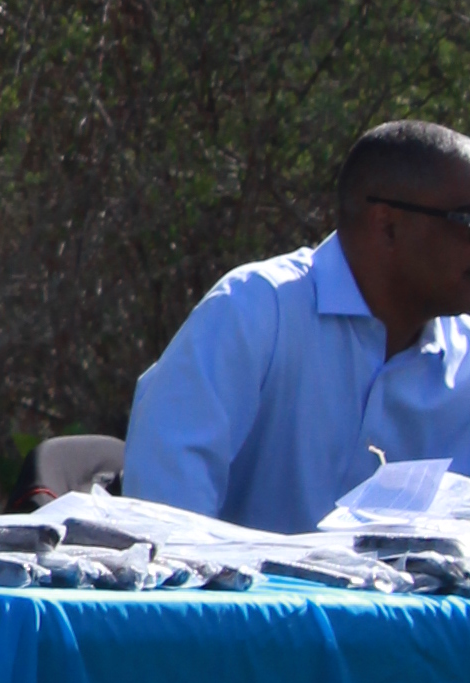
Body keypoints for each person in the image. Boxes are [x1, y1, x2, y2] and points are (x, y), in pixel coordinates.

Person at [120, 119, 470, 532]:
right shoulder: (253, 311)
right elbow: (164, 522)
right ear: (387, 225)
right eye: (467, 220)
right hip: (239, 596)